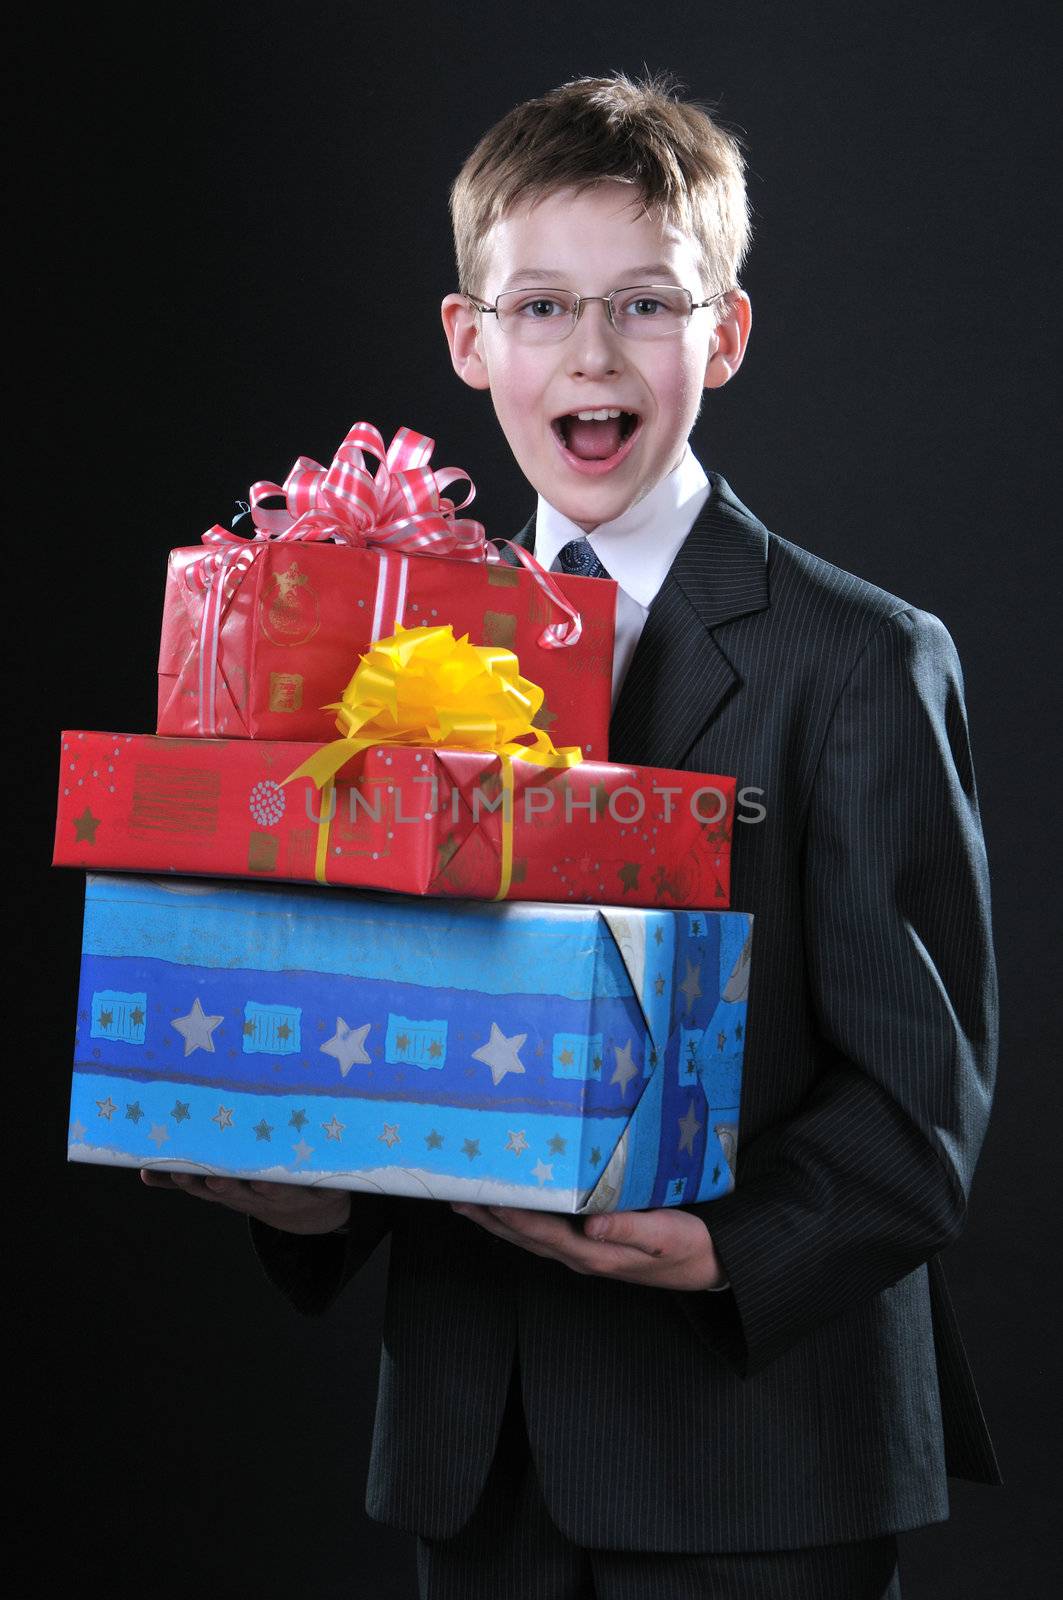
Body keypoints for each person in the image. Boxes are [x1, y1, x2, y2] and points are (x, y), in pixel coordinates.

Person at [142, 73, 1000, 1599]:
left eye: (644, 306)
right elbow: (378, 1006)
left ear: (722, 335)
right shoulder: (370, 651)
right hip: (477, 1461)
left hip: (758, 1457)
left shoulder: (861, 659)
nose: (591, 354)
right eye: (540, 307)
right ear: (472, 340)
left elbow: (923, 1099)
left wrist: (728, 1247)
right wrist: (301, 1188)